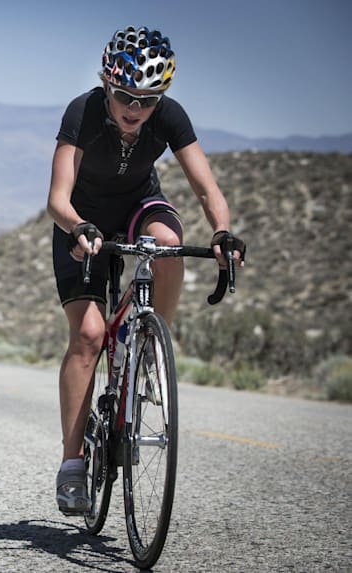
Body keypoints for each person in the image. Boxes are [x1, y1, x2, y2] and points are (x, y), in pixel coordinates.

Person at [46, 26, 245, 514]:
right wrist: (77, 228)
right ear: (106, 84)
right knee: (89, 336)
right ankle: (73, 466)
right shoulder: (83, 111)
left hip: (139, 204)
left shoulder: (170, 117)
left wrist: (221, 231)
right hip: (82, 219)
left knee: (170, 244)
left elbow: (206, 188)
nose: (134, 109)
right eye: (124, 96)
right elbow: (56, 198)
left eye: (148, 100)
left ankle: (155, 345)